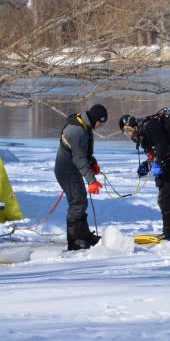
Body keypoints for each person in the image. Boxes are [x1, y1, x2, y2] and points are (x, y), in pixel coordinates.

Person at [119, 110, 170, 240]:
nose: (129, 135)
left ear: (133, 125)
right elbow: (155, 151)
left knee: (165, 199)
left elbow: (161, 145)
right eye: (125, 133)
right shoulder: (143, 135)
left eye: (128, 131)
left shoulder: (150, 125)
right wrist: (147, 165)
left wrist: (157, 163)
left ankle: (169, 233)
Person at [54, 104, 108, 250]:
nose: (101, 126)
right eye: (102, 123)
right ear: (97, 119)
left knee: (81, 200)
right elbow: (79, 158)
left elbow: (84, 153)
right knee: (77, 202)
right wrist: (91, 180)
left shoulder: (84, 125)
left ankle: (83, 235)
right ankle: (73, 241)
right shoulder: (77, 130)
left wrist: (93, 163)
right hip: (66, 170)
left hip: (73, 167)